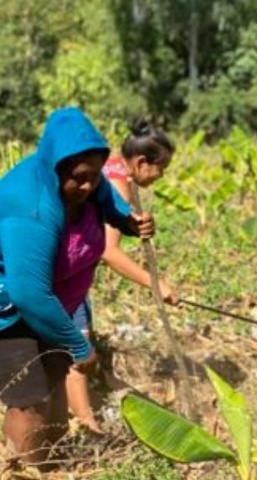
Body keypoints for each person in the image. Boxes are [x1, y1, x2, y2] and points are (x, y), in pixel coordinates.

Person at [0, 107, 154, 469]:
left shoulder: (86, 184)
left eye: (94, 176)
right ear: (55, 167)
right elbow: (28, 293)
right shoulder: (33, 207)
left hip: (54, 304)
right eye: (78, 178)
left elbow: (106, 198)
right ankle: (26, 470)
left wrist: (127, 221)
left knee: (53, 378)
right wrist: (77, 343)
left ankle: (52, 463)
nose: (87, 186)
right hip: (9, 310)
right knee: (29, 396)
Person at [64, 120, 177, 434]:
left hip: (67, 269)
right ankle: (88, 430)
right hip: (62, 274)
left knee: (72, 346)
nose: (161, 176)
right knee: (78, 350)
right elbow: (109, 252)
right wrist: (155, 284)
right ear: (142, 162)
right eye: (161, 168)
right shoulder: (117, 186)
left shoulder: (111, 168)